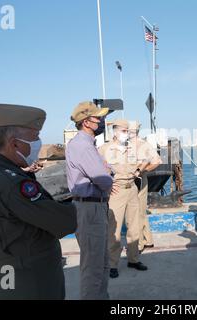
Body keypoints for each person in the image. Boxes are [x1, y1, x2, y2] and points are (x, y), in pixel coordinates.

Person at [0, 104, 77, 300]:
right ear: (14, 144)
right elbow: (66, 221)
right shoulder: (12, 183)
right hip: (31, 282)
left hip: (12, 275)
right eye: (35, 137)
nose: (39, 142)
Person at [66, 101, 113, 299]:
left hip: (93, 207)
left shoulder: (85, 144)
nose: (102, 121)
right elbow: (104, 180)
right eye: (98, 118)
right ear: (86, 122)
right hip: (90, 208)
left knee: (101, 263)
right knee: (93, 266)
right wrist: (109, 172)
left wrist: (106, 171)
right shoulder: (83, 146)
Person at [99, 119, 148, 279]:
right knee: (114, 230)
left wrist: (139, 169)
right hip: (116, 190)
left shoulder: (132, 148)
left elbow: (146, 159)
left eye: (128, 131)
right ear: (115, 131)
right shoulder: (104, 149)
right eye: (124, 130)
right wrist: (106, 184)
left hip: (132, 188)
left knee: (134, 227)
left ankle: (133, 259)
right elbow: (96, 170)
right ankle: (112, 264)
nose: (126, 134)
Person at [128, 121, 162, 253]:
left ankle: (139, 244)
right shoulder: (131, 145)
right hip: (137, 178)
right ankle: (148, 240)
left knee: (136, 211)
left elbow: (157, 161)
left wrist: (143, 170)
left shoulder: (142, 145)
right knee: (141, 210)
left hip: (138, 179)